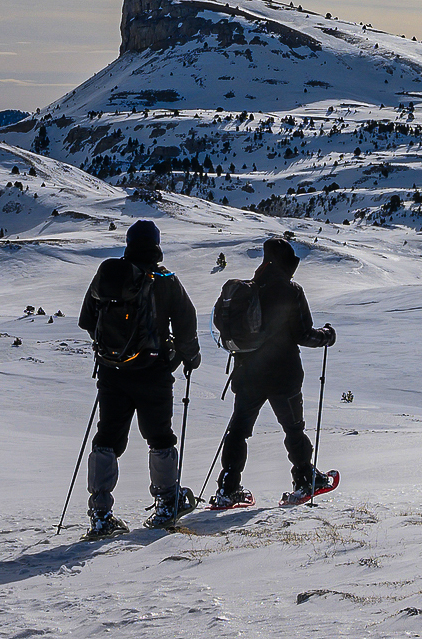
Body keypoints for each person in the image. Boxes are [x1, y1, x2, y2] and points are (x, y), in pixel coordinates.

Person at [77, 220, 201, 537]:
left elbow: (86, 320)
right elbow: (186, 323)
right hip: (154, 372)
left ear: (129, 243)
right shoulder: (165, 279)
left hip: (111, 372)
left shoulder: (109, 275)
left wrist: (114, 351)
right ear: (156, 245)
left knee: (107, 438)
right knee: (159, 436)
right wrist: (189, 356)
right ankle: (165, 504)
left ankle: (100, 514)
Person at [210, 238, 337, 507]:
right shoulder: (292, 291)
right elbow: (303, 334)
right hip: (283, 374)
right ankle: (305, 479)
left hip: (247, 373)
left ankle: (227, 488)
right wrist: (326, 336)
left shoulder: (248, 290)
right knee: (293, 428)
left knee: (238, 430)